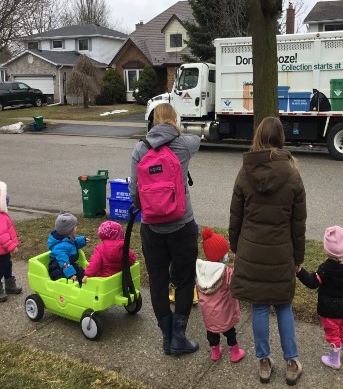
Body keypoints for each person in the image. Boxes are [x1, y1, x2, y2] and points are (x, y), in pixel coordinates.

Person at [229, 116, 306, 385]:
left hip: (251, 250)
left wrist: (235, 247)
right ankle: (292, 361)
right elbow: (298, 222)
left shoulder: (245, 172)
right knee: (283, 305)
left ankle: (264, 361)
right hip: (281, 251)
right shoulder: (292, 173)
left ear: (258, 137)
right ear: (281, 139)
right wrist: (299, 258)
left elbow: (235, 215)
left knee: (260, 306)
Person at [129, 103, 201, 356]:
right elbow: (199, 137)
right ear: (173, 119)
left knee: (158, 283)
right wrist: (176, 130)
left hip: (152, 229)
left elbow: (134, 191)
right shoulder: (184, 145)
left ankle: (166, 336)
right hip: (182, 225)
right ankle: (179, 336)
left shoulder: (140, 148)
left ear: (151, 121)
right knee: (183, 280)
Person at [296, 225, 343, 369]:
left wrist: (300, 271)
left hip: (330, 310)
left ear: (326, 249)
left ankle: (334, 360)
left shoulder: (325, 268)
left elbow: (312, 283)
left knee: (332, 333)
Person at [196, 227, 245, 363]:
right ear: (220, 256)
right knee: (230, 332)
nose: (226, 255)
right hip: (224, 315)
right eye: (225, 253)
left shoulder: (201, 271)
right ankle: (235, 353)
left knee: (212, 333)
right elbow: (236, 280)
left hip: (209, 316)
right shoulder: (225, 272)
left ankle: (215, 352)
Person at [47, 213, 89, 283]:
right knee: (70, 281)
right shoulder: (60, 248)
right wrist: (71, 274)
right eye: (75, 226)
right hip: (59, 270)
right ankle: (77, 290)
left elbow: (73, 243)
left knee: (82, 272)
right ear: (69, 230)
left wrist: (82, 240)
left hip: (70, 265)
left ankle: (87, 283)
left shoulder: (66, 238)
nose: (76, 227)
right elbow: (64, 263)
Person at [0, 182, 22, 302]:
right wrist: (12, 246)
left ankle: (9, 284)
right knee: (1, 268)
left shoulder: (3, 215)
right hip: (2, 251)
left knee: (8, 266)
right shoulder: (1, 217)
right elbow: (2, 235)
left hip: (4, 251)